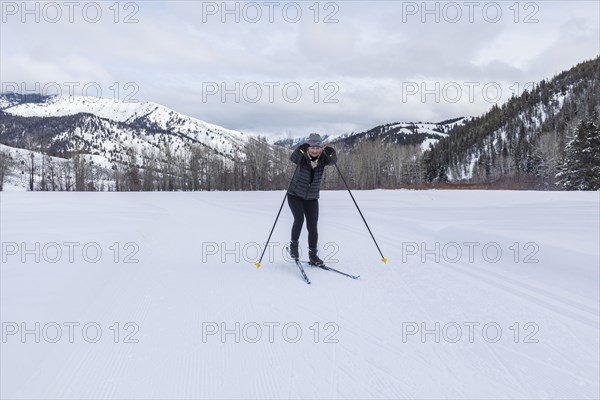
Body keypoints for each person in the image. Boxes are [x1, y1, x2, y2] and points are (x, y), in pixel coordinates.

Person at [287, 133, 337, 266]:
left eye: (317, 147)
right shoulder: (302, 157)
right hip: (294, 195)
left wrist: (332, 153)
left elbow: (333, 161)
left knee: (313, 226)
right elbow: (293, 158)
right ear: (308, 147)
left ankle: (313, 256)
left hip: (312, 198)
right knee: (299, 219)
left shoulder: (323, 159)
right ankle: (293, 247)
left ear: (320, 148)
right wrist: (299, 149)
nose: (315, 150)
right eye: (312, 147)